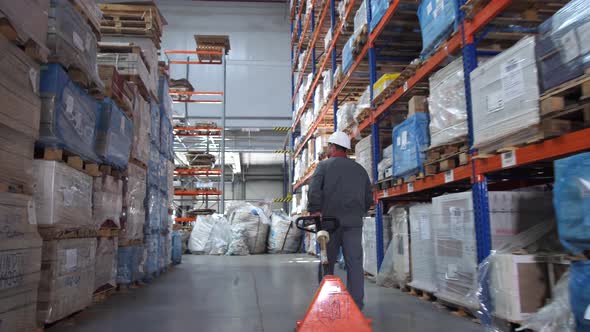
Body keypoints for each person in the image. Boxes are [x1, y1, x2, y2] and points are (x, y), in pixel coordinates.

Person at [307, 131, 373, 310]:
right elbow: (369, 198)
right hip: (353, 224)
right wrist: (357, 213)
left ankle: (326, 304)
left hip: (330, 224)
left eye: (329, 146)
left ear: (333, 147)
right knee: (355, 264)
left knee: (327, 263)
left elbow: (314, 191)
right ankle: (356, 307)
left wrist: (315, 210)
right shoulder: (360, 170)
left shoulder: (323, 166)